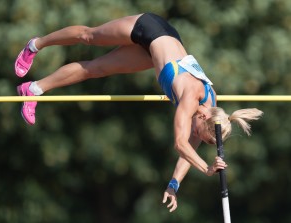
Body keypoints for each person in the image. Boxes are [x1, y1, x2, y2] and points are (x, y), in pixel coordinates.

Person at [14, 13, 263, 212]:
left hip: (155, 53)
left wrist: (174, 185)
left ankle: (33, 89)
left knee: (95, 69)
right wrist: (207, 169)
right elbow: (180, 144)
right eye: (204, 137)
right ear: (203, 118)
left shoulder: (209, 109)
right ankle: (36, 44)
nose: (198, 139)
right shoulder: (192, 95)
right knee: (87, 36)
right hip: (150, 29)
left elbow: (190, 150)